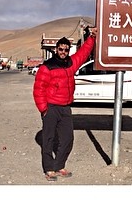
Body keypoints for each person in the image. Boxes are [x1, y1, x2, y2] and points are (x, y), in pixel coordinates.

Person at [33, 27, 97, 181]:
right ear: (56, 49)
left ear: (68, 50)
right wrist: (44, 109)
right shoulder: (47, 67)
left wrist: (92, 38)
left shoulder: (71, 63)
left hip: (65, 108)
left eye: (66, 50)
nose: (63, 52)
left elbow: (83, 53)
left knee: (68, 138)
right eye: (61, 49)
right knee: (48, 139)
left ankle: (59, 166)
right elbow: (38, 89)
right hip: (51, 108)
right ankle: (49, 169)